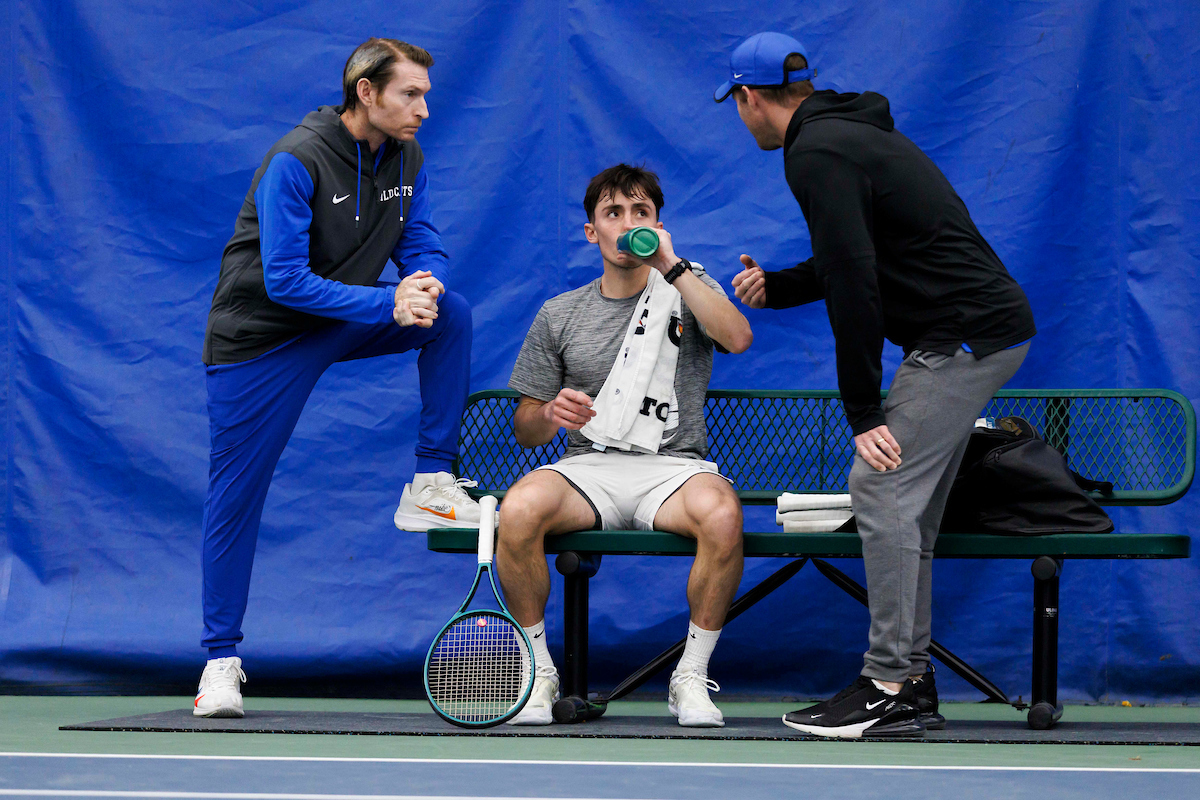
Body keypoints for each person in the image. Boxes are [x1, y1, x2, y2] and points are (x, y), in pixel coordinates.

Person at [719, 32, 1036, 738]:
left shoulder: (817, 151)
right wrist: (782, 284)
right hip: (979, 329)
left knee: (881, 484)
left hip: (961, 337)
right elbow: (855, 253)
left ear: (748, 97)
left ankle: (889, 681)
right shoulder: (842, 133)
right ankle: (911, 682)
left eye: (737, 105)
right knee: (908, 505)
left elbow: (857, 281)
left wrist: (863, 410)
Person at [195, 38, 480, 718]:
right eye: (411, 95)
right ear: (366, 93)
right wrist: (388, 301)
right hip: (258, 343)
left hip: (340, 315)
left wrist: (424, 277)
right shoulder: (296, 160)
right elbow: (285, 281)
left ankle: (429, 481)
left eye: (426, 95)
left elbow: (422, 237)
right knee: (235, 500)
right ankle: (219, 665)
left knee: (450, 314)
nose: (423, 110)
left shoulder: (406, 156)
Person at [497, 164, 753, 727]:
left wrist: (673, 266)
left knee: (722, 513)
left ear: (658, 225)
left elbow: (737, 337)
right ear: (593, 231)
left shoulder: (685, 290)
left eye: (641, 213)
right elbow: (525, 427)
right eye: (614, 213)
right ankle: (537, 674)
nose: (627, 224)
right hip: (587, 469)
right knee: (517, 510)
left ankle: (689, 677)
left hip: (673, 470)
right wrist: (549, 413)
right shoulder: (560, 313)